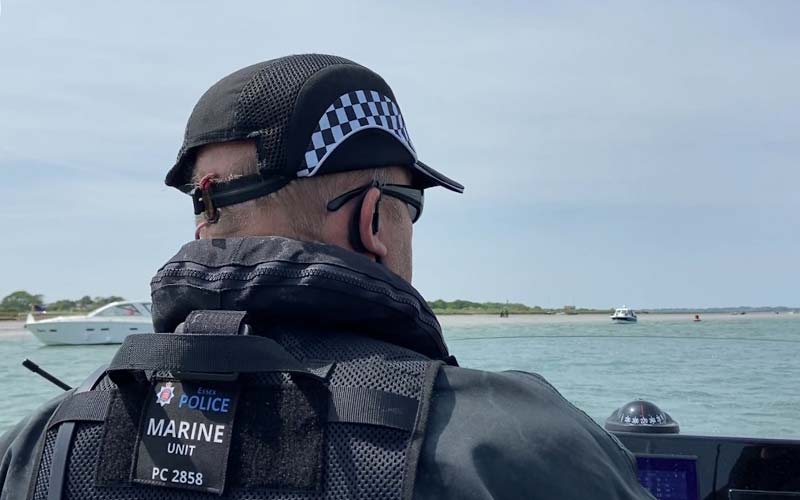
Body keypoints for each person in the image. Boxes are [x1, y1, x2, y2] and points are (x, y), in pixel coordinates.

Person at [0, 54, 653, 499]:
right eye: (410, 208)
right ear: (372, 219)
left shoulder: (45, 440)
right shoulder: (513, 442)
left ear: (205, 224)